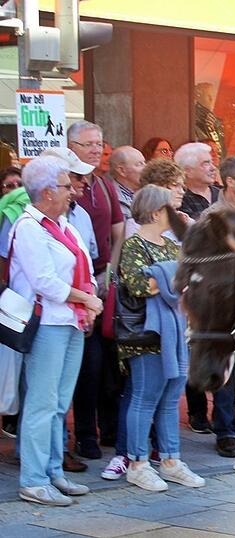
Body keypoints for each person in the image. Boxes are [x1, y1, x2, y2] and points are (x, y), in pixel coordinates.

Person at [13, 156, 101, 506]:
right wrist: (87, 299)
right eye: (66, 186)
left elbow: (87, 266)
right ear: (47, 191)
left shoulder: (67, 225)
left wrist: (89, 298)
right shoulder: (30, 227)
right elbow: (45, 281)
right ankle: (33, 479)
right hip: (48, 321)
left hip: (72, 321)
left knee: (59, 403)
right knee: (42, 402)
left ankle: (52, 472)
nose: (72, 191)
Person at [119, 185, 205, 492]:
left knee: (170, 399)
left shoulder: (170, 247)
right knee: (144, 398)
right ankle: (138, 463)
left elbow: (186, 280)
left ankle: (170, 460)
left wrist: (165, 275)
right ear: (156, 212)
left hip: (176, 333)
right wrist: (174, 276)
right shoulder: (133, 245)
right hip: (146, 335)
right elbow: (138, 285)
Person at [67, 121, 124, 462]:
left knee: (106, 362)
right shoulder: (61, 186)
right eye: (87, 144)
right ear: (71, 146)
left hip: (100, 280)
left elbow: (117, 234)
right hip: (72, 288)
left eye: (99, 143)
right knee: (85, 367)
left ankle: (110, 430)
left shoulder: (103, 186)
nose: (94, 149)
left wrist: (109, 276)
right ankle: (84, 434)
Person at [175, 142, 219, 220]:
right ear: (188, 171)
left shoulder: (223, 193)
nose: (213, 168)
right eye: (206, 164)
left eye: (212, 162)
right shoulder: (180, 199)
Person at [110, 146, 147, 220]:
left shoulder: (149, 193)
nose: (146, 167)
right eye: (139, 164)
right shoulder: (110, 197)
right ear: (122, 170)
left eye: (145, 162)